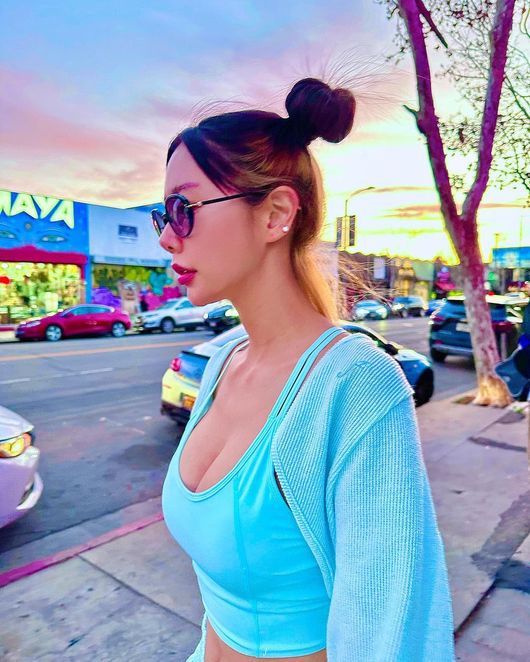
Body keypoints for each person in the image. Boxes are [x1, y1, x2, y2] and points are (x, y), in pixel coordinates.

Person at [154, 78, 455, 661]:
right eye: (161, 214)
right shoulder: (223, 363)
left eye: (183, 209)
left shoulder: (357, 387)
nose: (167, 237)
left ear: (275, 215)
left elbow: (389, 629)